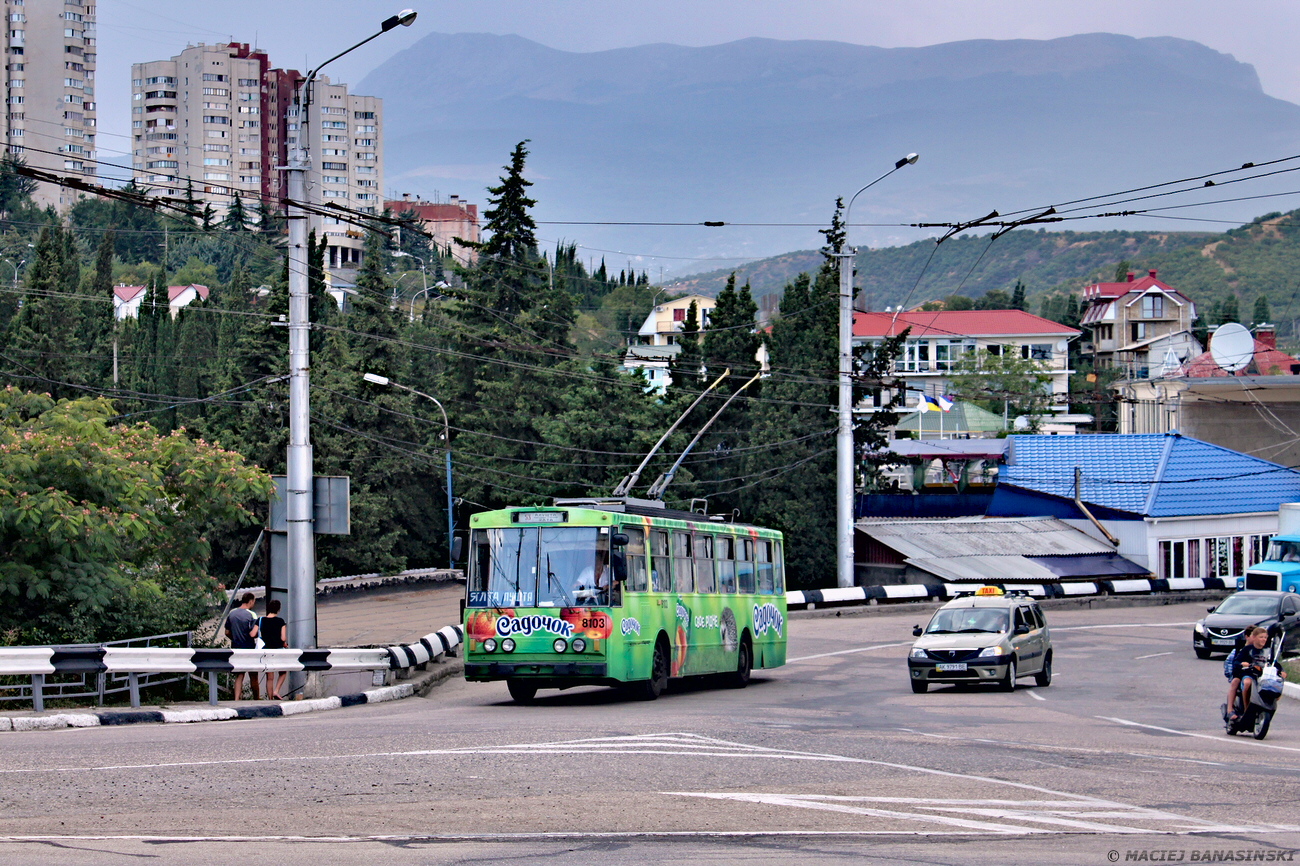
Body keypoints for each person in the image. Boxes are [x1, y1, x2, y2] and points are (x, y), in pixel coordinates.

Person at [224, 592, 260, 701]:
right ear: (251, 601)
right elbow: (253, 633)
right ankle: (256, 699)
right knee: (253, 675)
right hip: (249, 647)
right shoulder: (252, 615)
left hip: (236, 647)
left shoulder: (232, 613)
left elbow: (227, 632)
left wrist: (235, 638)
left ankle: (236, 699)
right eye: (254, 601)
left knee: (239, 675)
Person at [259, 599, 289, 700]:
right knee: (283, 672)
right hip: (278, 650)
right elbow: (283, 638)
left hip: (266, 649)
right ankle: (276, 691)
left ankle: (270, 698)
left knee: (269, 677)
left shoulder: (262, 620)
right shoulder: (280, 621)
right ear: (278, 610)